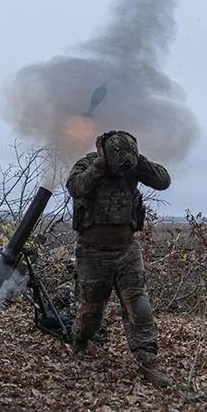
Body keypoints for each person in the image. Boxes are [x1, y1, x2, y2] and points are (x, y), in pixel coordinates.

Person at [66, 130, 172, 388]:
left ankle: (147, 360)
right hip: (92, 251)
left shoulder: (133, 167)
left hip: (126, 249)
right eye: (119, 159)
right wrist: (101, 164)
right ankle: (80, 341)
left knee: (139, 305)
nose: (123, 167)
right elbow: (76, 187)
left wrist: (139, 161)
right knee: (91, 313)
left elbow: (163, 181)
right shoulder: (88, 163)